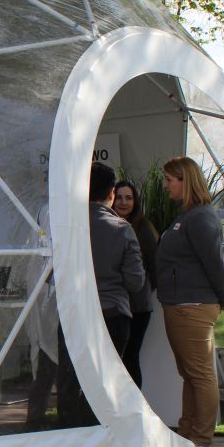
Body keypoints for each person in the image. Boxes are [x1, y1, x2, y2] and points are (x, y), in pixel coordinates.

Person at [156, 157, 224, 447]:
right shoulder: (188, 216)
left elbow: (215, 262)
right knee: (190, 373)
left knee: (200, 374)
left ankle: (201, 437)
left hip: (192, 305)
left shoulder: (200, 218)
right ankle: (188, 431)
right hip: (181, 304)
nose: (165, 186)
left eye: (169, 180)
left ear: (185, 181)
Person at [58, 162, 144, 427]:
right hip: (112, 314)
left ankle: (70, 434)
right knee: (107, 384)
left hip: (75, 313)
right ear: (111, 193)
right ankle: (101, 435)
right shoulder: (122, 229)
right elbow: (136, 282)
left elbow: (53, 274)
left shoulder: (66, 227)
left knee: (71, 380)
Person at [112, 179, 159, 389]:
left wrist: (143, 289)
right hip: (113, 305)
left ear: (135, 202)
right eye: (119, 197)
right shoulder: (106, 225)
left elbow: (156, 267)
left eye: (128, 198)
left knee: (130, 357)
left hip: (138, 306)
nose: (123, 202)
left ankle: (134, 404)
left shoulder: (143, 229)